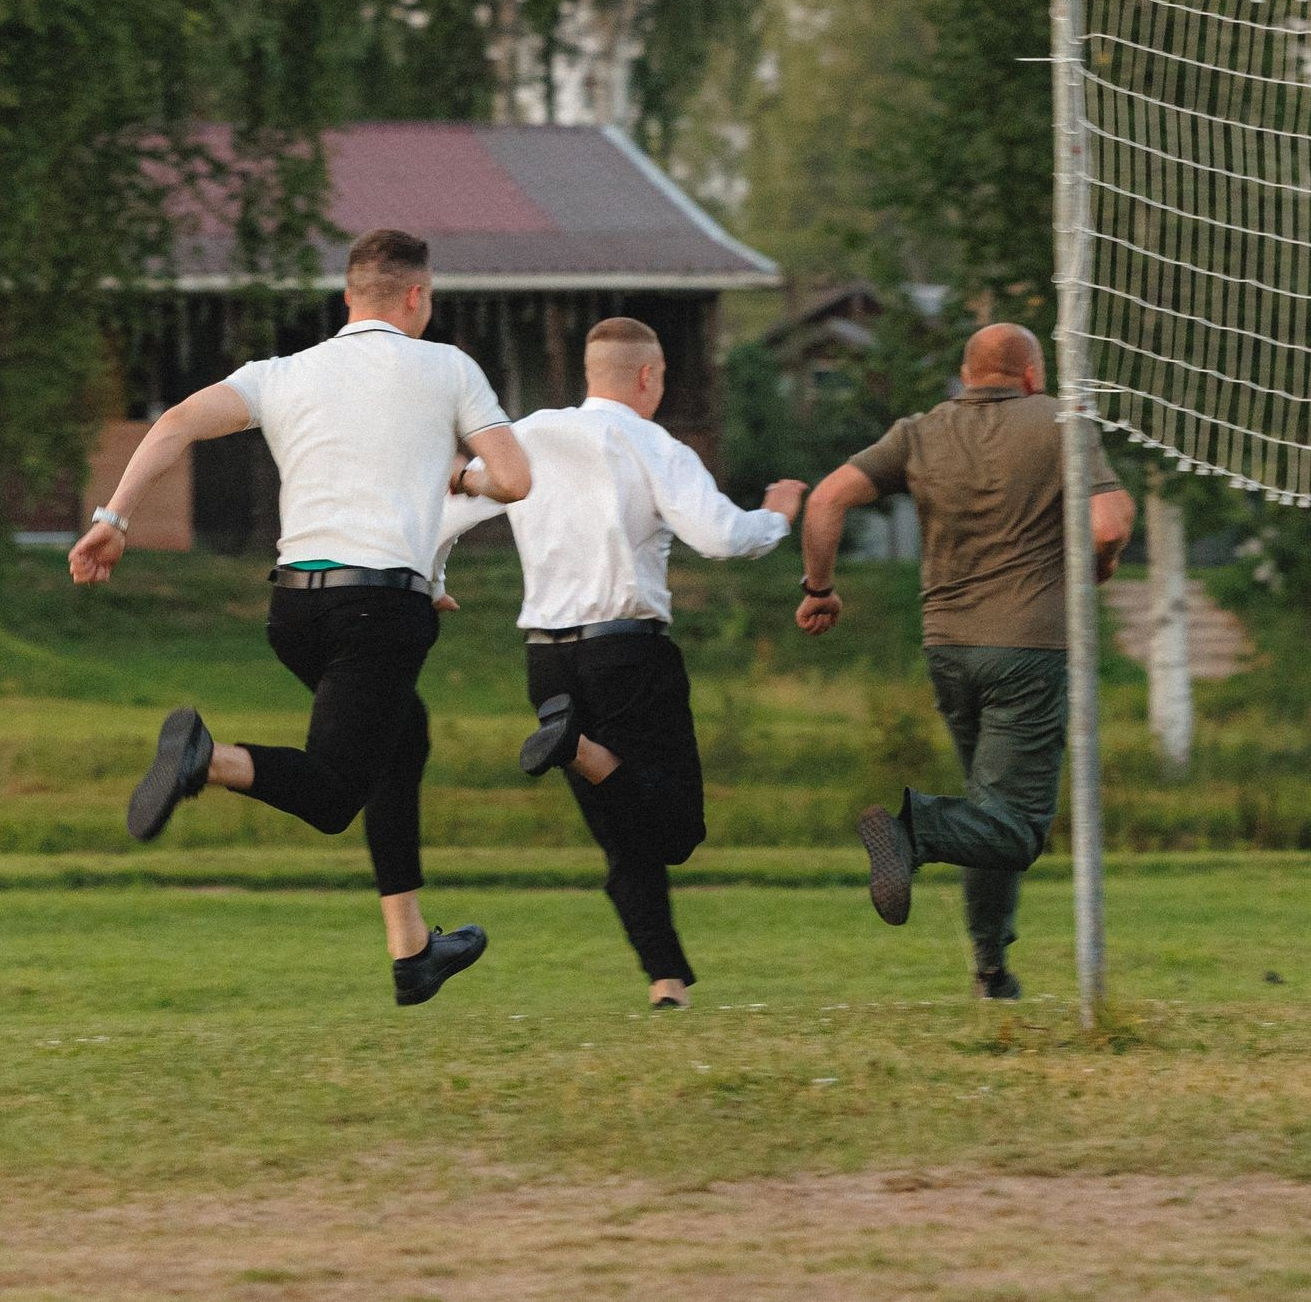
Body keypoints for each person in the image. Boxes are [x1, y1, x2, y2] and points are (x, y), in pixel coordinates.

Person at [68, 229, 532, 1007]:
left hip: (293, 611)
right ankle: (207, 760)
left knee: (401, 736)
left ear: (349, 297)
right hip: (378, 609)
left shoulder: (282, 373)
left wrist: (113, 519)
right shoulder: (448, 368)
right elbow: (514, 479)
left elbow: (176, 421)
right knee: (333, 795)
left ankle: (413, 951)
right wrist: (461, 476)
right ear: (417, 295)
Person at [437, 318, 804, 1010]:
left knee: (624, 841)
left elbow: (448, 507)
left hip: (546, 663)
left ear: (589, 373)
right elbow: (721, 537)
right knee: (677, 831)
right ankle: (575, 747)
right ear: (647, 376)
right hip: (626, 652)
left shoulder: (527, 436)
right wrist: (777, 515)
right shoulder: (652, 444)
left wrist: (431, 579)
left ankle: (667, 983)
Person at [796, 323, 1136, 998]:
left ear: (967, 373)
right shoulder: (1062, 422)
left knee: (988, 814)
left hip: (947, 648)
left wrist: (820, 589)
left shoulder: (918, 432)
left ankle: (990, 968)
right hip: (1029, 651)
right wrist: (1100, 563)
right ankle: (912, 831)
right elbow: (1109, 523)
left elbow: (826, 499)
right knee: (1016, 829)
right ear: (1032, 375)